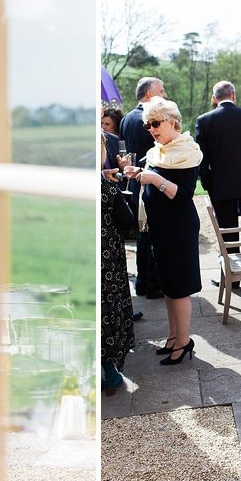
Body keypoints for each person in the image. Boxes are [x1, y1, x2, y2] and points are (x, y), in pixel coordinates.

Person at [123, 96, 202, 365]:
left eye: (155, 123)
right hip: (160, 228)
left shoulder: (186, 150)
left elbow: (183, 195)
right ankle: (173, 337)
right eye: (147, 125)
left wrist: (155, 179)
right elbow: (152, 171)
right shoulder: (159, 150)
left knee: (179, 288)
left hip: (178, 227)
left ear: (171, 121)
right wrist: (137, 171)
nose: (151, 130)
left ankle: (184, 342)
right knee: (168, 286)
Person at [195, 80, 241, 253]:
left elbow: (201, 159)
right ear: (233, 95)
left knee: (228, 236)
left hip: (221, 188)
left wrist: (209, 184)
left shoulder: (204, 121)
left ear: (214, 98)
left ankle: (231, 278)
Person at [119, 77, 166, 299]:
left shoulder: (126, 118)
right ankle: (152, 284)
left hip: (135, 183)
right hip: (148, 181)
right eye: (161, 91)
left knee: (142, 234)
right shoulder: (151, 120)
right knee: (152, 235)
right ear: (149, 95)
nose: (164, 95)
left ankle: (142, 283)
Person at [100, 132, 136, 395]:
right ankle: (110, 372)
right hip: (107, 261)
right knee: (109, 311)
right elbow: (128, 223)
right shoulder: (107, 189)